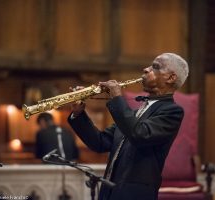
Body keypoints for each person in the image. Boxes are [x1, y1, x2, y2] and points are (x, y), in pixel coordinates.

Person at [68, 53, 189, 200]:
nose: (146, 69)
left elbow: (139, 134)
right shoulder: (135, 114)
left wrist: (117, 98)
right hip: (109, 192)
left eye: (155, 67)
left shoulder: (172, 112)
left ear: (171, 78)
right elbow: (99, 142)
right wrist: (79, 114)